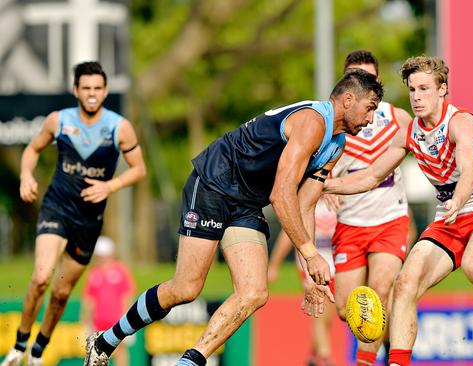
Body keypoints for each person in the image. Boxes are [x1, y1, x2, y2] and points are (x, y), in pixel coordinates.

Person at [84, 69, 384, 366]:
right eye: (369, 108)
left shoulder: (336, 145)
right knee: (186, 288)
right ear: (347, 99)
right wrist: (308, 252)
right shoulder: (312, 122)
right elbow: (282, 194)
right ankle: (105, 341)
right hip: (215, 183)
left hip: (247, 202)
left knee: (254, 292)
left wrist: (311, 270)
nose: (371, 118)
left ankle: (188, 363)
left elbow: (305, 204)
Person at [324, 55, 473, 366]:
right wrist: (323, 186)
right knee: (405, 283)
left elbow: (469, 172)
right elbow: (370, 176)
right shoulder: (409, 131)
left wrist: (458, 200)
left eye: (424, 88)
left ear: (442, 90)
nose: (417, 96)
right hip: (450, 216)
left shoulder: (460, 122)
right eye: (412, 89)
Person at [1, 61, 146, 366]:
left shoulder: (119, 127)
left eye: (97, 88)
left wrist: (111, 186)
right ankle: (19, 344)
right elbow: (32, 149)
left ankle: (39, 350)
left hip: (88, 221)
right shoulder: (59, 121)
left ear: (105, 91)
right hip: (56, 208)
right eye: (86, 88)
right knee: (41, 277)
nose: (92, 94)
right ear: (76, 90)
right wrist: (26, 176)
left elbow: (139, 169)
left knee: (61, 292)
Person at [331, 50, 413, 365]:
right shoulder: (333, 126)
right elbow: (318, 173)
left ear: (377, 82)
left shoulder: (398, 119)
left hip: (389, 220)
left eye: (367, 76)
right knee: (345, 308)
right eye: (355, 75)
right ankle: (395, 335)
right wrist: (326, 189)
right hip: (350, 225)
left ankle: (368, 361)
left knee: (378, 291)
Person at [267, 198, 338, 366]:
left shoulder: (338, 197)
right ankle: (327, 359)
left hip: (335, 265)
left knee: (328, 317)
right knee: (319, 313)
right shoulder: (307, 200)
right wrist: (274, 265)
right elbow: (288, 235)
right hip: (311, 267)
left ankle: (313, 357)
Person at [82, 236, 135, 366]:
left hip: (117, 321)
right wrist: (86, 322)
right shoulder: (94, 273)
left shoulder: (120, 270)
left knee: (120, 351)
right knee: (97, 354)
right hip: (98, 323)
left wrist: (127, 320)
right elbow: (89, 301)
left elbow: (127, 296)